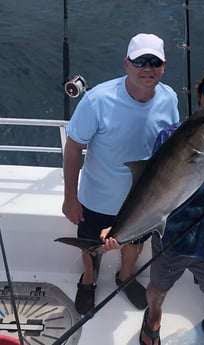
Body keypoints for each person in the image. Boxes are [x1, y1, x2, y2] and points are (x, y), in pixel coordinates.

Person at [102, 62, 204, 345]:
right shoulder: (169, 136)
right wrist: (119, 231)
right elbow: (149, 189)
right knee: (158, 288)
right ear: (200, 94)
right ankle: (153, 319)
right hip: (170, 237)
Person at [62, 33, 180, 314]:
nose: (147, 68)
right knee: (90, 245)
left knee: (135, 243)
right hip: (97, 199)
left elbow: (170, 150)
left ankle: (125, 277)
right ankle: (89, 281)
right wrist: (70, 198)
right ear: (126, 64)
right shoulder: (97, 101)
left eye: (154, 62)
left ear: (164, 66)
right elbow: (74, 147)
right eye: (140, 61)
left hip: (144, 200)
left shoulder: (170, 98)